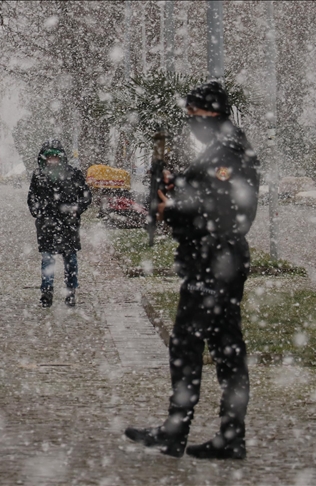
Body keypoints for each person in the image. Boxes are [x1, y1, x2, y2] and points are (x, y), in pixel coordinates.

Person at [125, 81, 260, 459]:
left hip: (215, 262)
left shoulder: (228, 153)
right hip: (214, 260)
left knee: (189, 344)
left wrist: (173, 207)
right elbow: (204, 195)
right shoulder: (224, 149)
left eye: (195, 117)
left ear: (213, 115)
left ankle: (179, 429)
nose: (191, 124)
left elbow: (220, 209)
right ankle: (229, 436)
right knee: (225, 347)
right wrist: (176, 185)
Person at [27, 139, 92, 307]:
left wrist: (75, 210)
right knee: (48, 259)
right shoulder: (38, 175)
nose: (53, 160)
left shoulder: (73, 174)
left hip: (68, 224)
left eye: (56, 157)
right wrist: (38, 212)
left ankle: (71, 291)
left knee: (70, 258)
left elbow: (86, 195)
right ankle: (46, 292)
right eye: (49, 157)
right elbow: (32, 197)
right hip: (47, 224)